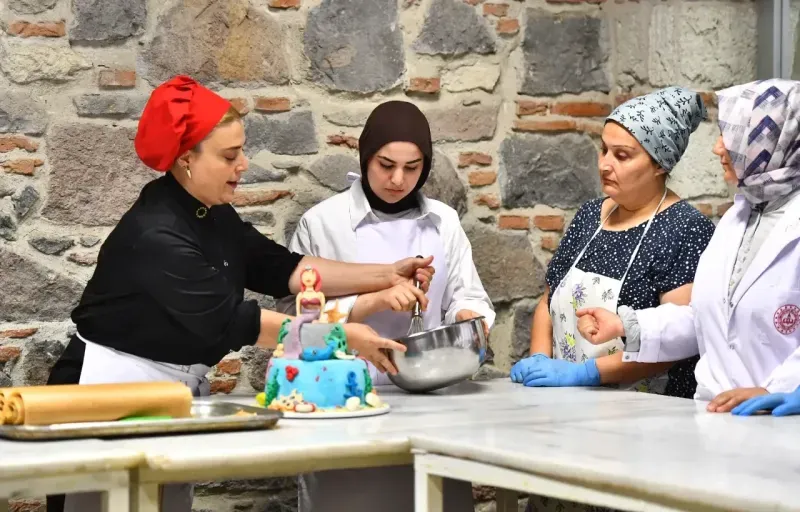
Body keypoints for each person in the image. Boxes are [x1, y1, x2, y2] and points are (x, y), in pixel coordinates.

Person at [46, 76, 435, 512]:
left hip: (162, 394)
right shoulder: (155, 233)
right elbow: (238, 322)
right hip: (107, 392)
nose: (244, 164)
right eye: (230, 155)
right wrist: (346, 338)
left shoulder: (212, 213)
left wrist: (386, 273)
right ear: (185, 159)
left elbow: (283, 268)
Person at [279, 100, 495, 512]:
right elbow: (291, 321)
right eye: (385, 164)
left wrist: (469, 318)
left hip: (433, 396)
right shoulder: (323, 223)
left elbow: (467, 295)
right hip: (346, 400)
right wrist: (370, 301)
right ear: (365, 157)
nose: (398, 179)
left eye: (412, 168)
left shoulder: (444, 223)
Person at [576, 79, 800, 415]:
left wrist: (784, 389)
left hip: (783, 423)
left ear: (773, 142)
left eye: (735, 136)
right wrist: (627, 326)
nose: (718, 148)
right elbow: (703, 318)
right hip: (716, 416)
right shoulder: (737, 217)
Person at [510, 87, 715, 399]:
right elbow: (546, 301)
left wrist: (587, 374)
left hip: (647, 413)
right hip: (567, 404)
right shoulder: (590, 215)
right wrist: (540, 361)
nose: (605, 164)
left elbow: (676, 343)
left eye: (622, 156)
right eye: (603, 150)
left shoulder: (686, 229)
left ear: (660, 164)